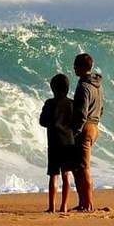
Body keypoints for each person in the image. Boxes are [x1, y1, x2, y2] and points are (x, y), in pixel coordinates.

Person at [71, 53, 104, 211]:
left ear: (81, 67)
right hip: (94, 126)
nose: (73, 68)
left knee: (83, 168)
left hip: (85, 127)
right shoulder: (98, 86)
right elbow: (101, 109)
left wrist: (76, 131)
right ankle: (83, 202)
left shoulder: (83, 86)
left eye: (75, 65)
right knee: (78, 168)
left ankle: (88, 204)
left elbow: (82, 113)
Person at [39, 73, 75, 213]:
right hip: (68, 142)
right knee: (66, 174)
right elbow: (76, 122)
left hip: (54, 142)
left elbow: (42, 121)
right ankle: (64, 206)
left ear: (53, 88)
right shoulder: (71, 104)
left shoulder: (49, 103)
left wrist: (52, 123)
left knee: (54, 175)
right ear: (67, 88)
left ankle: (52, 207)